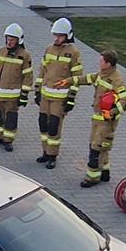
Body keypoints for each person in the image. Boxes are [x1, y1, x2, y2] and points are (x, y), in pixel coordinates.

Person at [35, 18, 85, 170]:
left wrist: (71, 98)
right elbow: (42, 71)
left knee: (54, 127)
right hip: (45, 95)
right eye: (55, 35)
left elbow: (76, 78)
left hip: (60, 98)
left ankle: (52, 155)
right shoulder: (49, 49)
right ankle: (45, 151)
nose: (56, 38)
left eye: (60, 36)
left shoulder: (73, 53)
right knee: (43, 124)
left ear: (68, 36)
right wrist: (37, 90)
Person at [81, 51, 126, 188]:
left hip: (107, 121)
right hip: (98, 118)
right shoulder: (102, 74)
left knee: (96, 148)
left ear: (108, 64)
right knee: (102, 146)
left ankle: (92, 177)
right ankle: (105, 172)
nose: (99, 63)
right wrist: (68, 81)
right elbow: (88, 78)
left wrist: (113, 113)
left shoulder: (117, 79)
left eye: (101, 61)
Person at [0, 23, 34, 151]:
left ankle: (8, 141)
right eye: (8, 39)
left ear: (19, 40)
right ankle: (0, 136)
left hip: (13, 96)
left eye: (12, 39)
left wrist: (24, 95)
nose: (9, 42)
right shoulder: (1, 51)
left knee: (10, 119)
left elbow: (28, 77)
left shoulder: (24, 55)